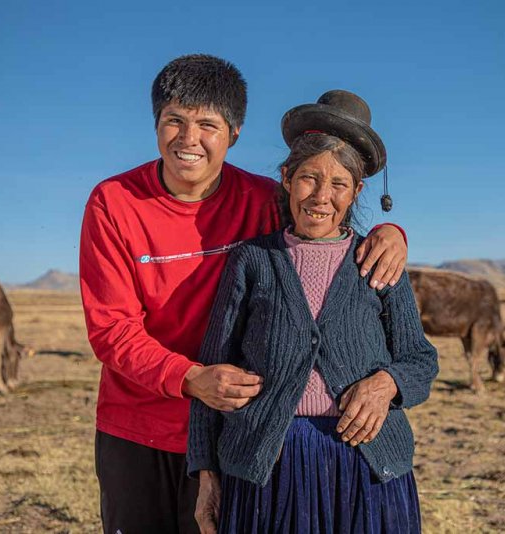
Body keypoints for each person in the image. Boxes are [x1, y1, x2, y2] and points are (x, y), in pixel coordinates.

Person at [79, 55, 408, 534]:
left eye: (207, 125)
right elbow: (110, 329)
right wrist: (191, 377)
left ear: (233, 134)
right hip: (138, 426)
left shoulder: (260, 198)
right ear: (155, 125)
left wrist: (392, 232)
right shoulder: (114, 201)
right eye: (175, 121)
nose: (189, 140)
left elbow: (323, 221)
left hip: (235, 432)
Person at [188, 90, 438, 534]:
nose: (321, 196)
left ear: (357, 191)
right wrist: (207, 475)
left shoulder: (378, 263)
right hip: (268, 468)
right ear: (286, 178)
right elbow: (214, 371)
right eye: (308, 178)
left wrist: (387, 385)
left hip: (367, 465)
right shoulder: (253, 260)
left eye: (339, 184)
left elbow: (420, 359)